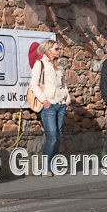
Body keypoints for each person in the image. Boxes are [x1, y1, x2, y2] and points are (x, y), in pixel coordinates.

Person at [29, 40, 71, 171]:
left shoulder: (59, 67)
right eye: (56, 49)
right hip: (49, 106)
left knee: (58, 137)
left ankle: (52, 166)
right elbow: (33, 84)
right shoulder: (40, 64)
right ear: (49, 51)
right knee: (52, 137)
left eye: (58, 49)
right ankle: (45, 167)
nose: (59, 51)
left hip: (60, 105)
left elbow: (63, 85)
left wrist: (67, 99)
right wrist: (44, 100)